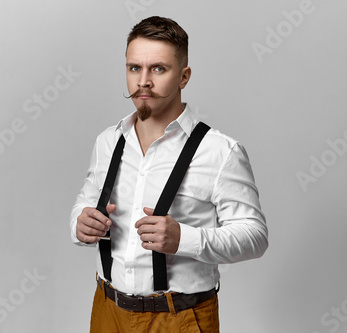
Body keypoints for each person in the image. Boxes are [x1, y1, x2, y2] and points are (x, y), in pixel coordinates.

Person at [70, 16, 268, 333]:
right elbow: (86, 200)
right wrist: (80, 222)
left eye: (158, 69)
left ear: (183, 76)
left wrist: (184, 239)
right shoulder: (108, 141)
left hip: (179, 317)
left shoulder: (220, 152)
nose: (143, 81)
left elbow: (255, 237)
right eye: (134, 68)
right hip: (107, 311)